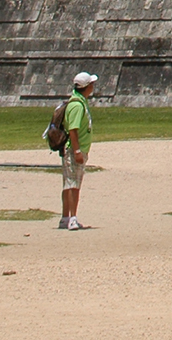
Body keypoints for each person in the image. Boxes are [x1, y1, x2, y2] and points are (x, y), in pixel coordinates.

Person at [60, 72, 96, 229]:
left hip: (75, 149)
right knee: (73, 185)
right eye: (91, 84)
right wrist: (77, 151)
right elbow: (73, 130)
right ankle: (71, 218)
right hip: (74, 150)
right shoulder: (77, 105)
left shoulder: (79, 102)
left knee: (70, 182)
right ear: (86, 87)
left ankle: (66, 218)